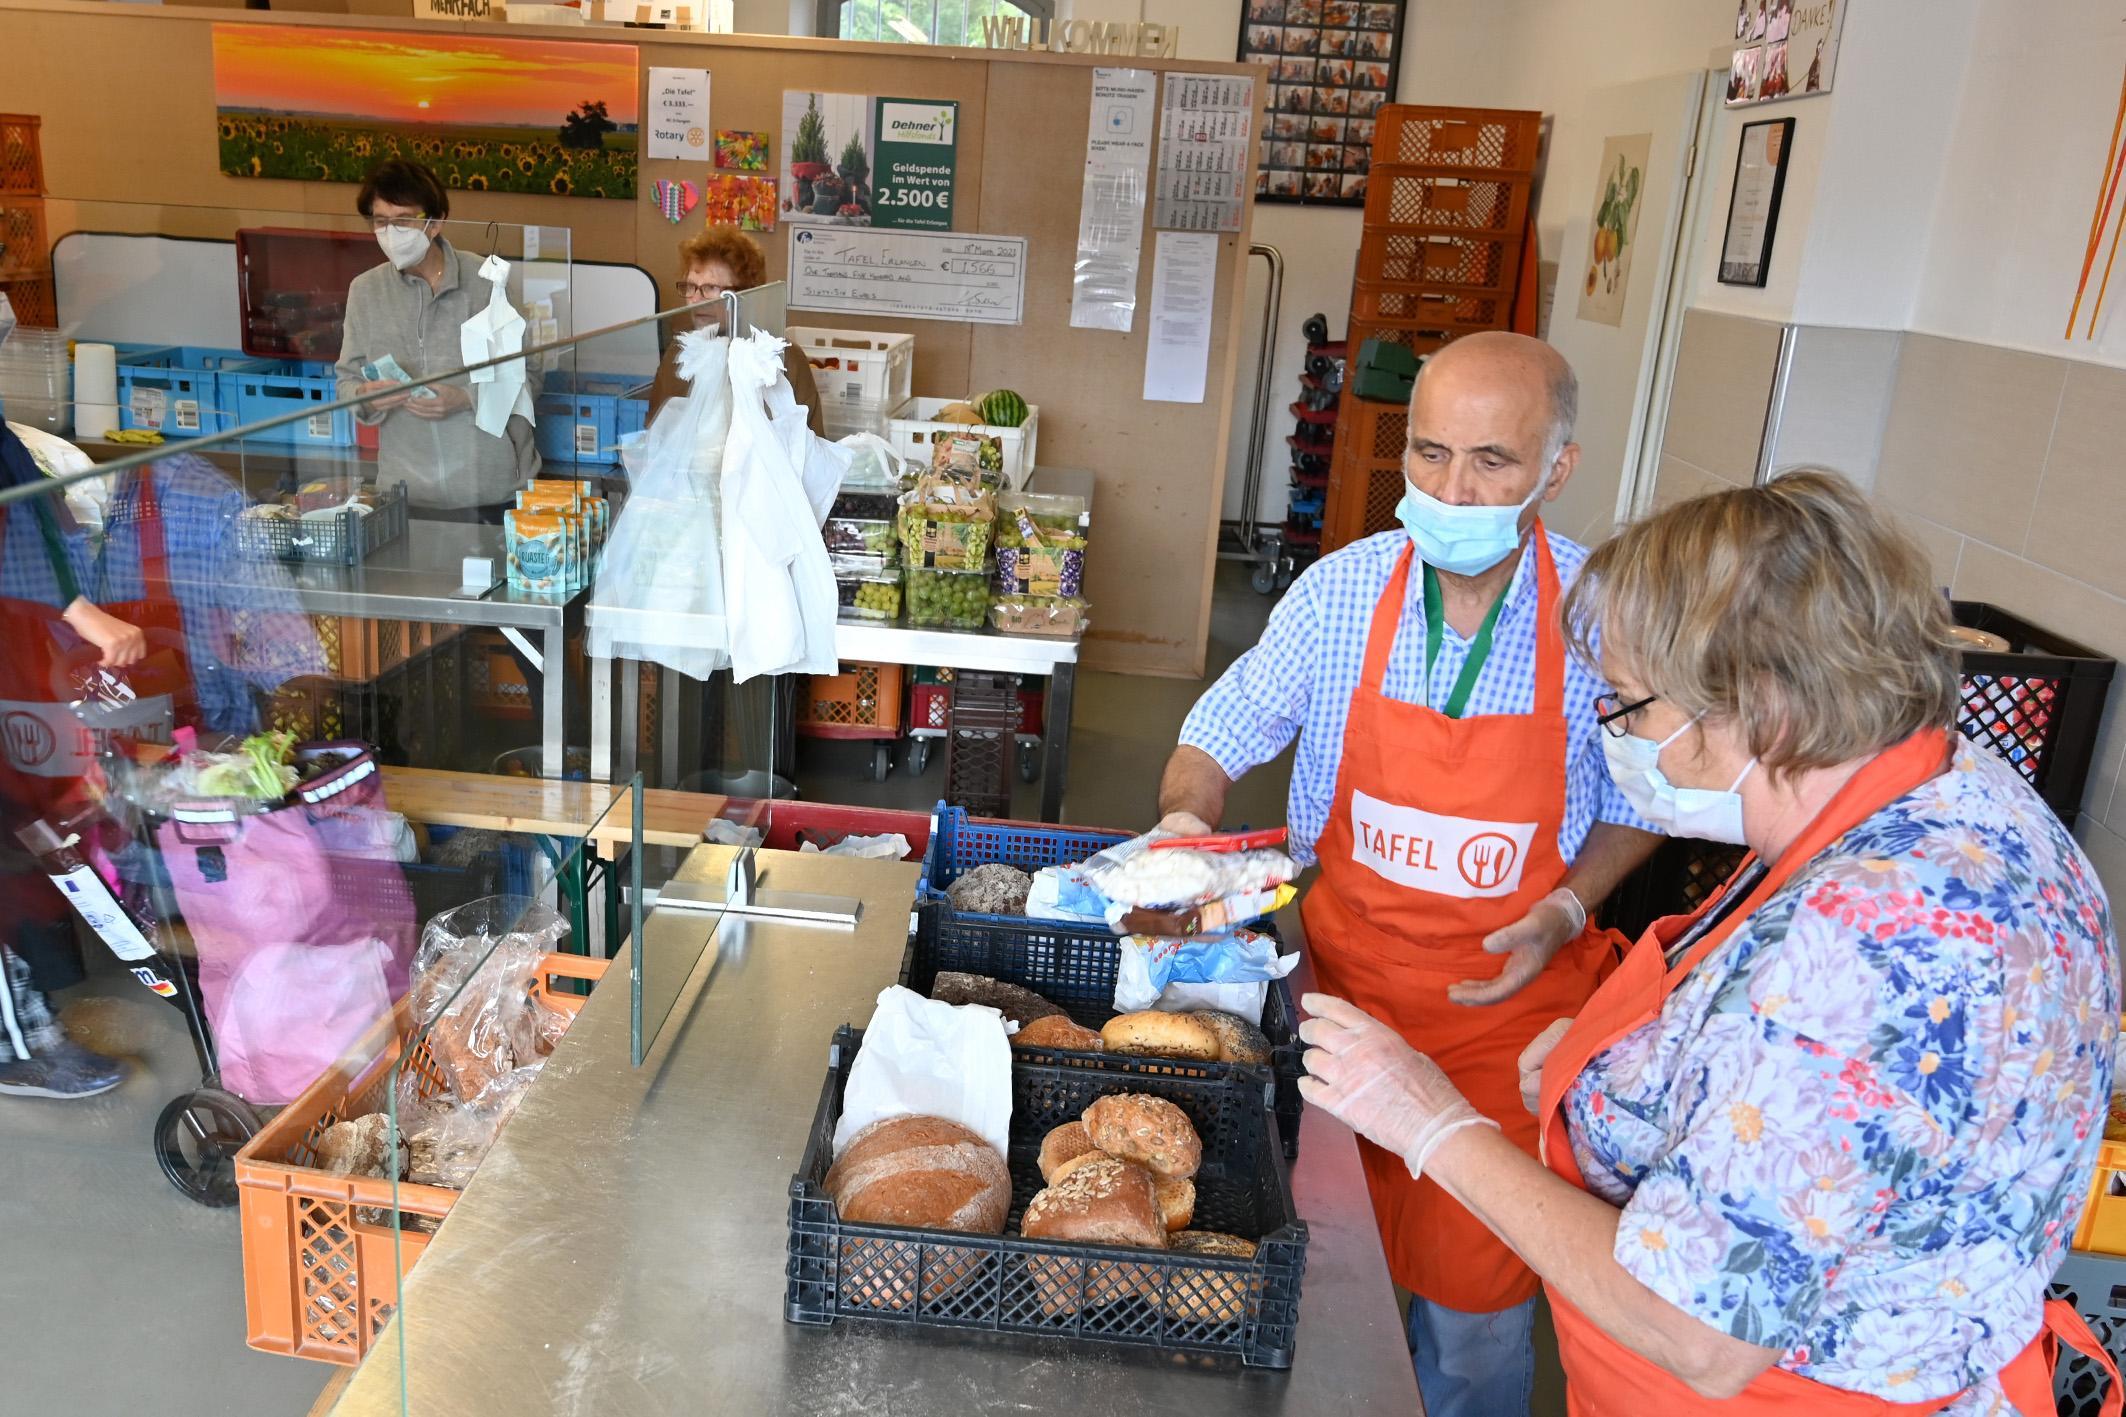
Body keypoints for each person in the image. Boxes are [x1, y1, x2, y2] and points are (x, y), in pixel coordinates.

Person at [1297, 470, 2121, 1416]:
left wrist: (1430, 1123)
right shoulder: (1947, 795)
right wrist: (1614, 1079)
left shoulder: (1878, 941)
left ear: (1760, 707)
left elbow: (1693, 1325)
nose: (1621, 736)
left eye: (1633, 706)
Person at [1158, 331, 1661, 1416]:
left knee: (1472, 1332)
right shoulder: (1341, 593)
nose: (1450, 488)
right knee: (1314, 1293)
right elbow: (1221, 726)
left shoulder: (1605, 621)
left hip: (1500, 1038)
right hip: (1334, 1009)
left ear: (1557, 468)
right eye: (1427, 455)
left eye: (1489, 461)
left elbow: (1643, 798)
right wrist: (1180, 820)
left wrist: (1569, 901)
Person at [334, 159, 539, 520]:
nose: (390, 232)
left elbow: (530, 376)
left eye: (403, 221)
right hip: (406, 496)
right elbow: (347, 382)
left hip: (491, 491)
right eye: (380, 221)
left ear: (435, 222)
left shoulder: (488, 282)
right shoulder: (365, 291)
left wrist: (465, 399)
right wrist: (368, 397)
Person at [646, 223, 824, 433]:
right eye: (691, 286)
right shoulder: (679, 355)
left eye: (711, 288)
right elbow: (655, 439)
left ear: (746, 294)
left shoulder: (784, 359)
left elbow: (811, 446)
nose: (695, 299)